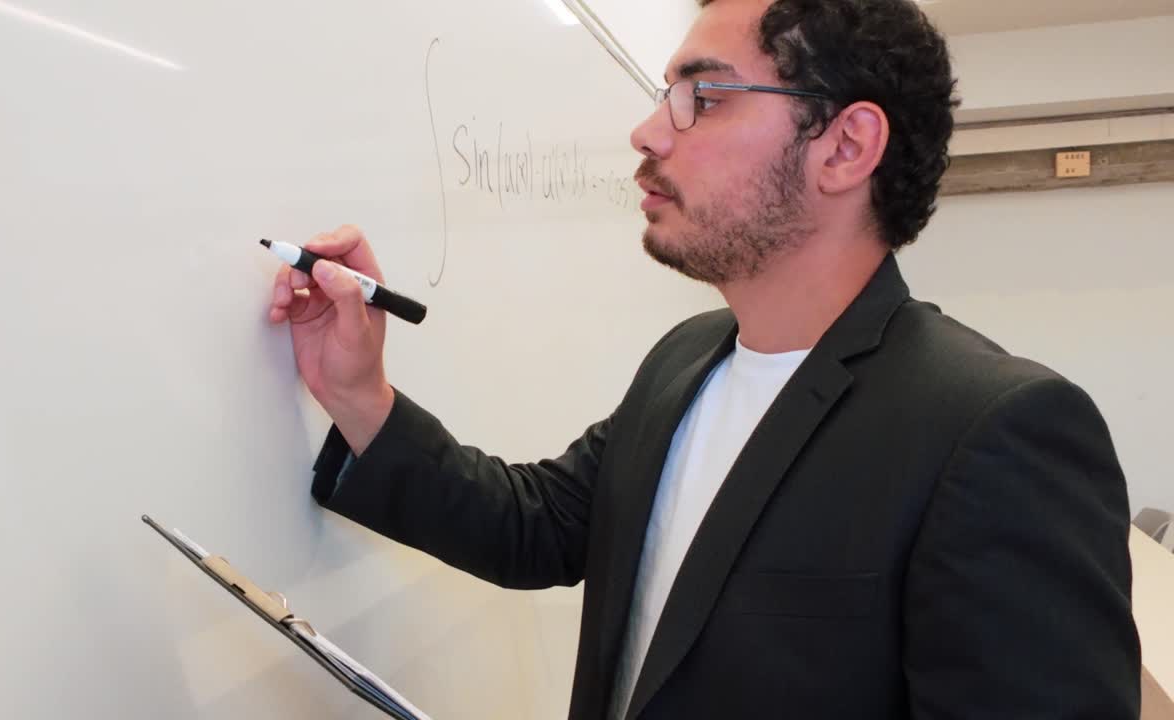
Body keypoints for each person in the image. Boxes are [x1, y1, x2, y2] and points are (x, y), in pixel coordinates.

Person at [267, 0, 1141, 717]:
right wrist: (359, 393)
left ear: (844, 147)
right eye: (664, 93)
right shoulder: (686, 361)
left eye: (705, 96)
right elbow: (536, 527)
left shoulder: (995, 430)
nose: (649, 132)